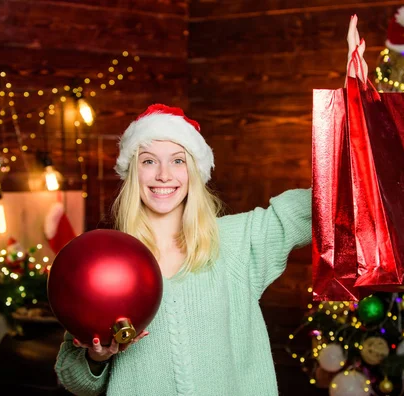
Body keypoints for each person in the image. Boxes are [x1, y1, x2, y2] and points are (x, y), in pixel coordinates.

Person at [55, 15, 366, 396]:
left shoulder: (237, 242)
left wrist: (357, 101)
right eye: (149, 160)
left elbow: (332, 200)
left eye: (179, 160)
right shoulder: (107, 263)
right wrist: (97, 358)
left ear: (195, 172)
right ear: (133, 172)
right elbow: (72, 378)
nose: (163, 174)